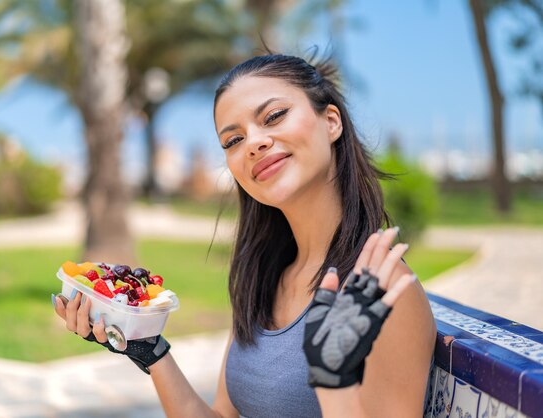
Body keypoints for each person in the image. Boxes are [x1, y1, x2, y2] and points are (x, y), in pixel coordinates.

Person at [53, 53, 436, 417]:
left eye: (274, 116)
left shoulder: (380, 292)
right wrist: (149, 350)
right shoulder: (265, 275)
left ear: (331, 121)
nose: (254, 143)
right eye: (233, 140)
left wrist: (333, 382)